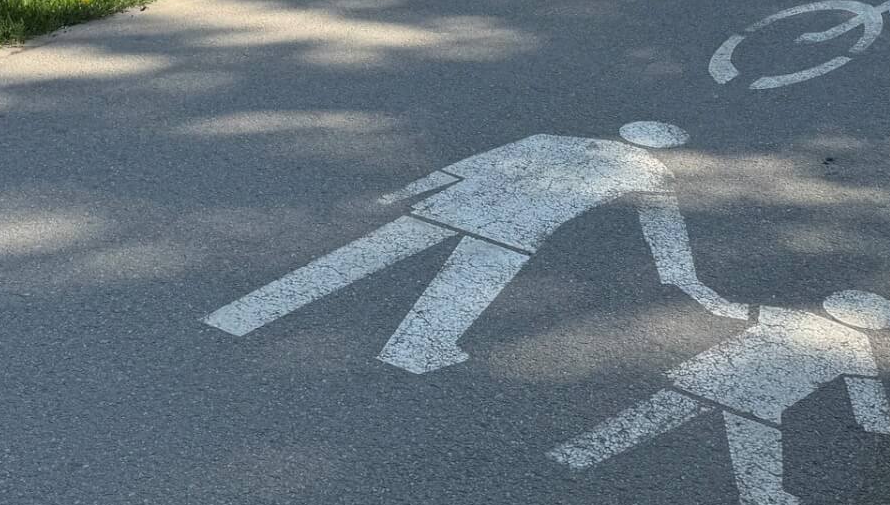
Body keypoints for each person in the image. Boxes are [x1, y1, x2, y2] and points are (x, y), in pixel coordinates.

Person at [204, 121, 745, 374]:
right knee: (460, 290)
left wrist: (407, 190)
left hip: (451, 207)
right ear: (665, 144)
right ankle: (414, 349)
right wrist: (683, 278)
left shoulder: (552, 140)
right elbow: (661, 230)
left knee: (354, 259)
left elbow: (474, 165)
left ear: (629, 129)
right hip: (515, 229)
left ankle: (247, 309)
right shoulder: (652, 172)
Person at [550, 290, 890, 505]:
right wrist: (878, 423)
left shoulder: (793, 317)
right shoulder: (857, 347)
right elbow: (864, 390)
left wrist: (695, 289)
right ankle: (764, 497)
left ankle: (584, 450)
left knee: (653, 414)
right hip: (765, 400)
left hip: (712, 376)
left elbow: (725, 308)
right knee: (757, 443)